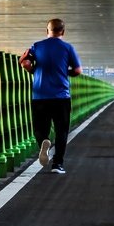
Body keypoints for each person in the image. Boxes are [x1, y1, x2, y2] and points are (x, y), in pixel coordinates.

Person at [19, 18, 81, 174]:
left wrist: (28, 67)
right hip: (61, 96)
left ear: (47, 31)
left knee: (40, 129)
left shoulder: (37, 46)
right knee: (61, 131)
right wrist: (64, 73)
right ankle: (57, 164)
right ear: (63, 32)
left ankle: (44, 142)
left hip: (40, 96)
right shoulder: (67, 48)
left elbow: (25, 62)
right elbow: (78, 71)